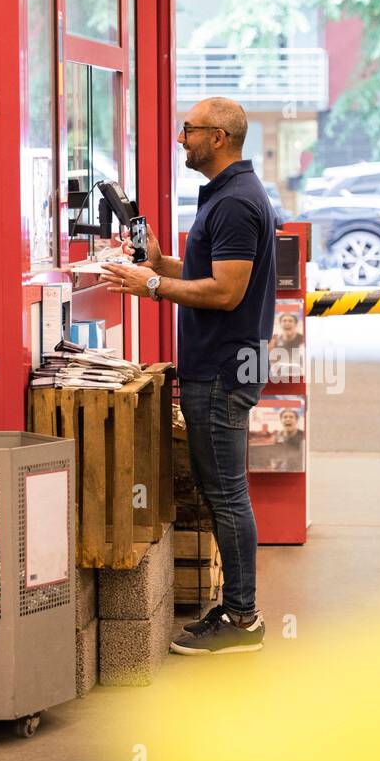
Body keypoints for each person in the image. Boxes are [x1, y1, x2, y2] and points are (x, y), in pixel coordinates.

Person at [103, 97, 276, 655]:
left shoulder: (235, 203)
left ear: (219, 137)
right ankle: (236, 608)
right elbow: (208, 273)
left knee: (226, 494)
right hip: (223, 364)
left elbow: (226, 292)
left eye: (189, 130)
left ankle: (243, 618)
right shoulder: (227, 198)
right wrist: (159, 264)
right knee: (222, 489)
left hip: (223, 367)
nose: (182, 139)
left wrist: (149, 288)